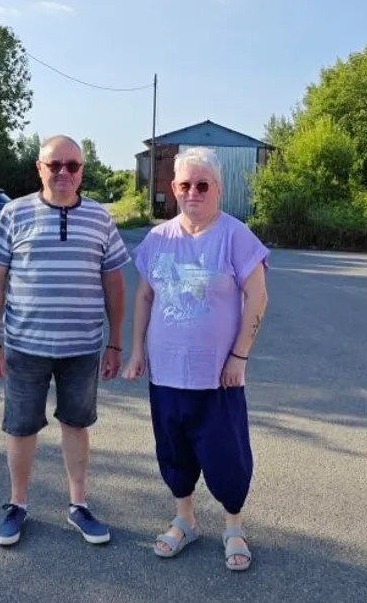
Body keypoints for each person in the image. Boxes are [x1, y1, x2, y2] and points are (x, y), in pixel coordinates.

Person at [122, 146, 270, 572]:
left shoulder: (235, 236)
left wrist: (239, 356)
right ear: (173, 188)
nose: (193, 193)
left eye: (202, 185)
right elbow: (144, 296)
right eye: (185, 185)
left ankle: (233, 527)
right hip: (166, 373)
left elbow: (258, 296)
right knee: (174, 450)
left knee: (227, 455)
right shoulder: (158, 239)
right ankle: (184, 520)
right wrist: (136, 352)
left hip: (217, 376)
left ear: (218, 189)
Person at [0, 134, 130, 547]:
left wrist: (115, 342)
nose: (64, 172)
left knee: (77, 424)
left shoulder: (100, 218)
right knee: (21, 427)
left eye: (73, 165)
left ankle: (78, 506)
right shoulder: (14, 213)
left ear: (82, 170)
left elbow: (114, 283)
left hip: (82, 348)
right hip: (25, 346)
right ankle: (17, 505)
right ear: (39, 168)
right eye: (55, 165)